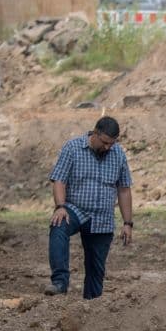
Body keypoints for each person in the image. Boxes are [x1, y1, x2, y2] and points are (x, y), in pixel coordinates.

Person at [46, 116, 133, 299]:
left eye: (112, 143)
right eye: (105, 142)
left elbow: (124, 189)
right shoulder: (72, 148)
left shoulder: (118, 154)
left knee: (96, 268)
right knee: (58, 226)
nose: (108, 147)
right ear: (95, 133)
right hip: (75, 210)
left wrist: (127, 223)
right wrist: (60, 206)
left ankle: (91, 306)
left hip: (102, 218)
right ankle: (60, 282)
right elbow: (59, 180)